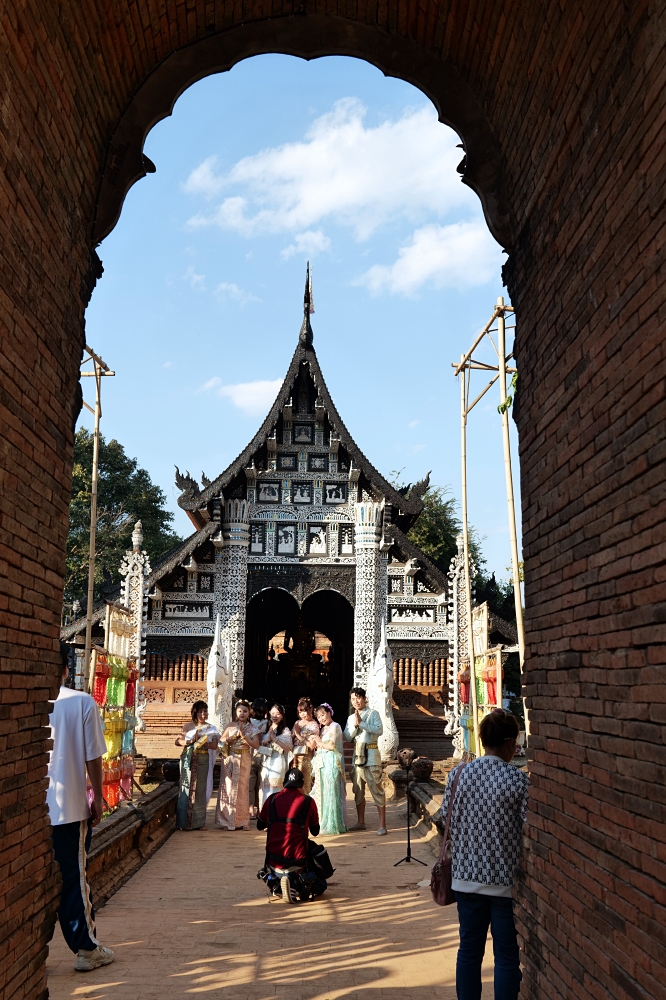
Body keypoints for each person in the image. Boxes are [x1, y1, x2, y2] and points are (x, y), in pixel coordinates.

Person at [441, 708, 529, 1000]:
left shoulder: (458, 775)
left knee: (469, 951)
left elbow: (444, 817)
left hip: (465, 878)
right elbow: (528, 826)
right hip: (504, 881)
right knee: (506, 955)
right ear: (509, 743)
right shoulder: (517, 780)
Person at [47, 643, 114, 972]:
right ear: (66, 668)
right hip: (68, 809)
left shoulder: (22, 703)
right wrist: (98, 797)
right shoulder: (81, 702)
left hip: (30, 811)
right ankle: (86, 948)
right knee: (73, 878)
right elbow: (93, 756)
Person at [257, 767, 325, 903]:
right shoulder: (308, 801)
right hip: (297, 862)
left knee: (276, 872)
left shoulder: (271, 799)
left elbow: (260, 825)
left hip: (273, 861)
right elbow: (315, 831)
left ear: (284, 783)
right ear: (302, 785)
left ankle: (277, 885)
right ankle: (295, 887)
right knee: (322, 884)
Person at [344, 686, 387, 835]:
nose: (356, 701)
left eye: (358, 698)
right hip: (357, 756)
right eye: (353, 699)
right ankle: (360, 821)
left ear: (364, 698)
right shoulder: (350, 718)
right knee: (358, 789)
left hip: (372, 754)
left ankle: (382, 824)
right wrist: (355, 726)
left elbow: (379, 730)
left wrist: (362, 723)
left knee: (376, 788)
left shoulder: (373, 713)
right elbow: (347, 737)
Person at [216, 699, 261, 830]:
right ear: (236, 712)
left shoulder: (253, 728)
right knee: (228, 787)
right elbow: (221, 741)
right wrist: (231, 738)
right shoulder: (230, 726)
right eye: (240, 711)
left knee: (242, 788)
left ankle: (243, 821)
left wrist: (244, 736)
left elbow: (256, 744)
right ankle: (227, 820)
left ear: (249, 712)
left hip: (245, 758)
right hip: (230, 758)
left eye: (245, 711)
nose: (242, 713)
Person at [175, 700, 219, 831]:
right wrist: (189, 741)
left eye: (205, 711)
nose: (203, 714)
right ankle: (183, 822)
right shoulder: (188, 726)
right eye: (200, 712)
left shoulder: (211, 728)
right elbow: (177, 741)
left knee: (200, 789)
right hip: (188, 759)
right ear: (195, 713)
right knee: (186, 787)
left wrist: (203, 743)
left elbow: (215, 745)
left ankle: (200, 822)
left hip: (203, 758)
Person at [312, 703, 347, 835]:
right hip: (323, 762)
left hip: (332, 762)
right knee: (324, 792)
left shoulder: (335, 726)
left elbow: (332, 746)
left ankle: (333, 824)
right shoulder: (324, 729)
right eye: (318, 717)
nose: (321, 718)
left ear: (329, 713)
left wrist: (320, 743)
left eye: (323, 715)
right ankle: (324, 822)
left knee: (331, 792)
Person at [258, 703, 293, 808]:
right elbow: (257, 745)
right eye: (273, 713)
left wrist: (275, 739)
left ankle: (277, 811)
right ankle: (266, 812)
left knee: (276, 787)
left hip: (278, 760)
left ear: (282, 716)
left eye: (278, 714)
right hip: (266, 762)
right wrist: (267, 740)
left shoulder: (285, 730)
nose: (275, 716)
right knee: (266, 787)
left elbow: (288, 748)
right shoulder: (265, 728)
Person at [291, 696, 320, 794]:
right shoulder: (297, 723)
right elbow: (291, 740)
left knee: (305, 783)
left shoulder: (314, 725)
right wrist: (293, 734)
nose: (302, 714)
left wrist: (298, 735)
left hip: (306, 757)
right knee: (294, 781)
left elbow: (311, 746)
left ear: (310, 710)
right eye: (300, 711)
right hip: (294, 757)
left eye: (304, 711)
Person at [248, 697, 268, 819]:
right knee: (261, 783)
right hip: (263, 754)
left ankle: (251, 809)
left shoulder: (248, 722)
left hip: (250, 753)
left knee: (250, 782)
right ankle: (260, 809)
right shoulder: (267, 723)